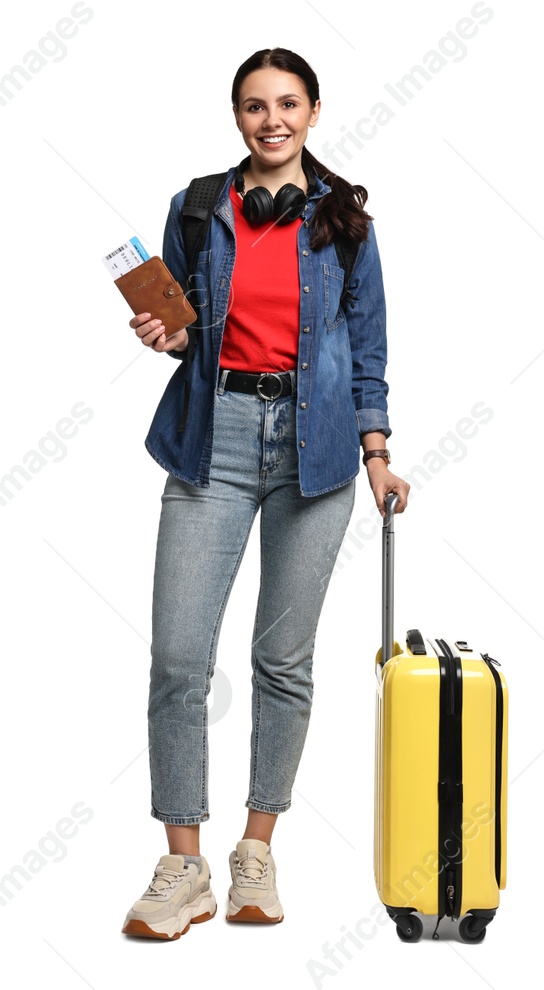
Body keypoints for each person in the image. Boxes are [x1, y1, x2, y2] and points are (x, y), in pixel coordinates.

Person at [121, 48, 409, 940]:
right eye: (255, 106)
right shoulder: (199, 206)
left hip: (317, 453)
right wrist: (164, 334)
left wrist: (378, 454)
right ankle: (183, 862)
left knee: (282, 662)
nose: (271, 120)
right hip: (215, 442)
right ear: (237, 117)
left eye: (288, 104)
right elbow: (185, 330)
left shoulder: (347, 218)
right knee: (178, 659)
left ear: (314, 112)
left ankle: (257, 848)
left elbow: (367, 343)